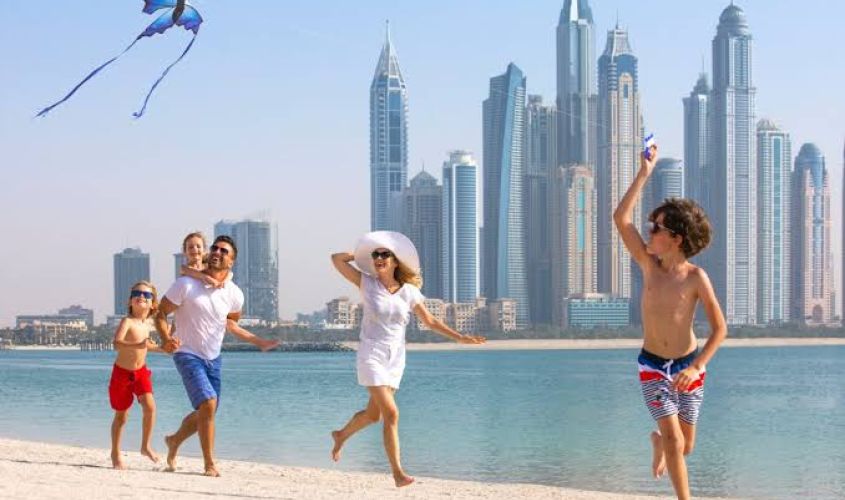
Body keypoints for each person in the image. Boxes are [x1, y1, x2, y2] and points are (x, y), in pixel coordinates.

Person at [613, 144, 727, 500]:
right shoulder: (648, 266)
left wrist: (696, 367)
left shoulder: (696, 278)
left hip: (687, 367)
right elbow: (621, 219)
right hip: (652, 367)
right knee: (676, 440)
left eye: (656, 228)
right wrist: (644, 173)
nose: (649, 232)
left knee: (684, 445)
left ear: (675, 239)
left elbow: (720, 329)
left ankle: (658, 443)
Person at [329, 231, 486, 488]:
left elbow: (430, 321)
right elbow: (336, 259)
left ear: (396, 261)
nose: (379, 258)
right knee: (392, 414)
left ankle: (341, 435)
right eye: (376, 254)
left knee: (374, 416)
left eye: (385, 254)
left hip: (395, 359)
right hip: (371, 354)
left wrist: (460, 337)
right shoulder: (366, 283)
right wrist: (361, 254)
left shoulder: (410, 292)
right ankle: (398, 473)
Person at [154, 235, 245, 477]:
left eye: (224, 251)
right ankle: (209, 464)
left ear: (232, 261)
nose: (218, 252)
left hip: (214, 358)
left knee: (208, 410)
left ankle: (174, 440)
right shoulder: (185, 284)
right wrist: (166, 339)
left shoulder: (235, 294)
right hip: (186, 353)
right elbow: (160, 313)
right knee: (208, 403)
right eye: (215, 248)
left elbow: (233, 319)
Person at [177, 231, 279, 352]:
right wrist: (206, 278)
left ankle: (261, 342)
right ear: (185, 252)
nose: (195, 250)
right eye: (190, 247)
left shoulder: (210, 264)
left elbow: (228, 273)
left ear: (204, 250)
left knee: (230, 324)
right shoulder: (189, 270)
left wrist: (222, 282)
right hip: (190, 312)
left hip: (209, 308)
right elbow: (184, 270)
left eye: (198, 247)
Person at [109, 281, 165, 470]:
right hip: (122, 373)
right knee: (122, 416)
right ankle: (115, 453)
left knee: (150, 407)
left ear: (152, 303)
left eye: (146, 295)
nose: (141, 296)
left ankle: (145, 446)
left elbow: (148, 346)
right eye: (137, 293)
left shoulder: (149, 324)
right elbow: (117, 343)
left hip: (140, 372)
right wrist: (138, 345)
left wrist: (164, 349)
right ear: (130, 300)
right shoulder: (127, 321)